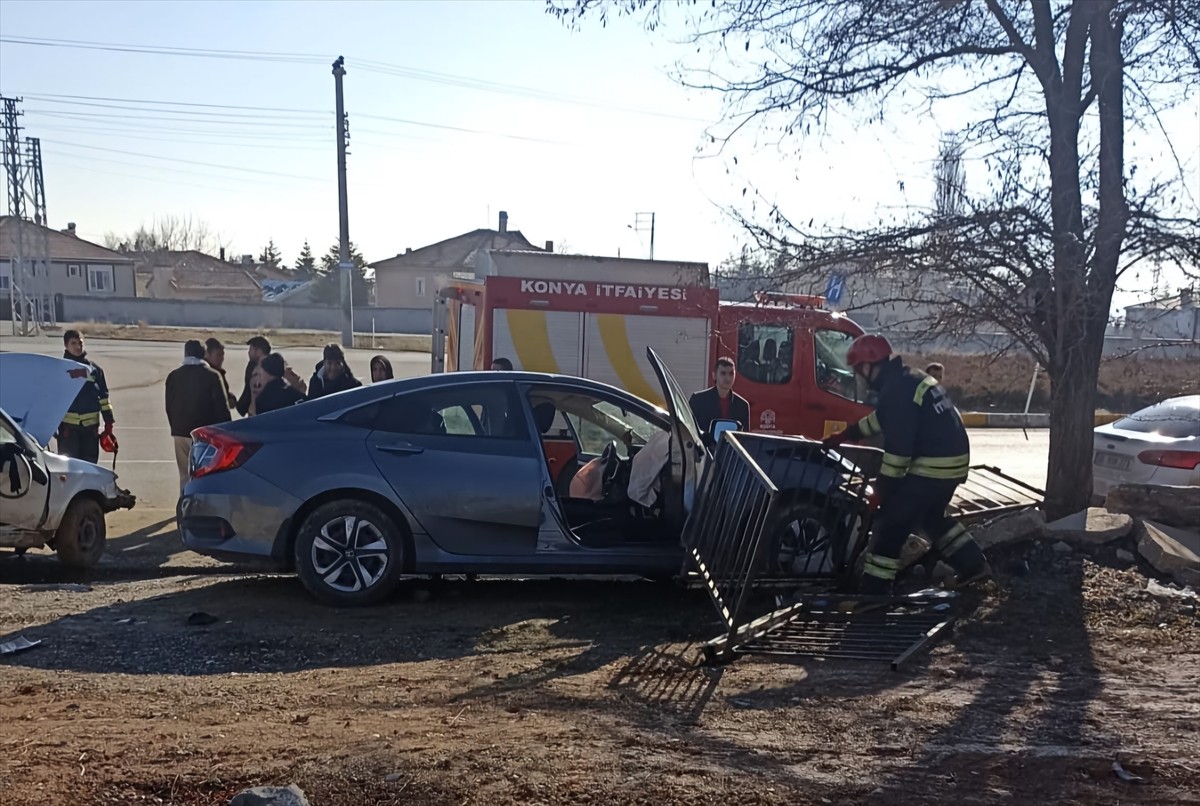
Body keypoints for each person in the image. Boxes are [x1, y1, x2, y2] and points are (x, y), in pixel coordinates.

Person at [823, 334, 989, 595]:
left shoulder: (896, 390)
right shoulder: (907, 379)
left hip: (932, 467)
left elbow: (898, 453)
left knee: (890, 525)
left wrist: (882, 491)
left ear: (870, 366)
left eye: (859, 371)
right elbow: (885, 419)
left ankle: (874, 593)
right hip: (951, 464)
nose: (860, 377)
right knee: (931, 518)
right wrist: (848, 434)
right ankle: (973, 566)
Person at [165, 340, 232, 491]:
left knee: (185, 475)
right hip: (204, 434)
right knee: (204, 474)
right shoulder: (212, 376)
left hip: (180, 432)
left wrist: (175, 426)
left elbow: (168, 406)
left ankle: (185, 505)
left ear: (186, 353)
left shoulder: (173, 376)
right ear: (204, 354)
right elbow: (222, 408)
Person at [57, 330, 114, 463]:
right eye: (73, 343)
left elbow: (104, 398)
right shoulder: (60, 369)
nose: (78, 347)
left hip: (90, 429)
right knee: (69, 467)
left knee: (89, 465)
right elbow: (53, 399)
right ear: (66, 345)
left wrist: (109, 421)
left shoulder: (95, 370)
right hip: (68, 430)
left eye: (80, 343)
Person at [688, 356, 750, 449]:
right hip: (704, 454)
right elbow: (689, 430)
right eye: (723, 373)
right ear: (714, 375)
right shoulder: (698, 400)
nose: (727, 378)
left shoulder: (742, 405)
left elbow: (745, 439)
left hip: (730, 457)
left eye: (731, 373)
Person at [236, 335, 272, 417]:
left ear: (258, 351)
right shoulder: (252, 365)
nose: (248, 352)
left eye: (251, 349)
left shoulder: (270, 368)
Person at [205, 337, 238, 410]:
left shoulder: (218, 372)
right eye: (218, 355)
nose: (222, 358)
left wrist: (231, 398)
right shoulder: (209, 374)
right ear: (207, 354)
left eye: (223, 355)